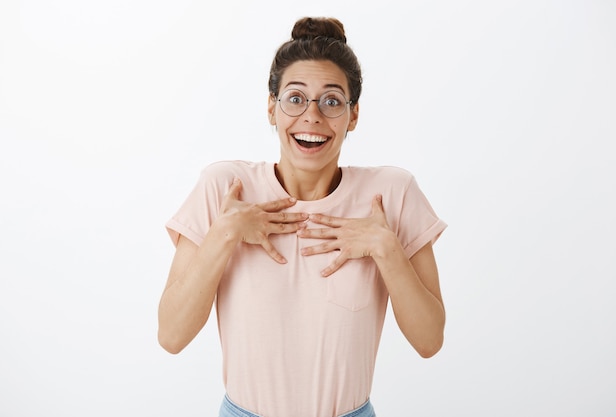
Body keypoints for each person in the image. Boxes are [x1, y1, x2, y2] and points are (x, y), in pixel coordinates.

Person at [158, 16, 447, 417]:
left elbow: (430, 341)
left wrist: (386, 249)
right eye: (295, 98)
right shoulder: (225, 188)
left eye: (331, 101)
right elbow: (171, 336)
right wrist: (225, 234)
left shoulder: (392, 194)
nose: (312, 116)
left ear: (354, 115)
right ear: (271, 109)